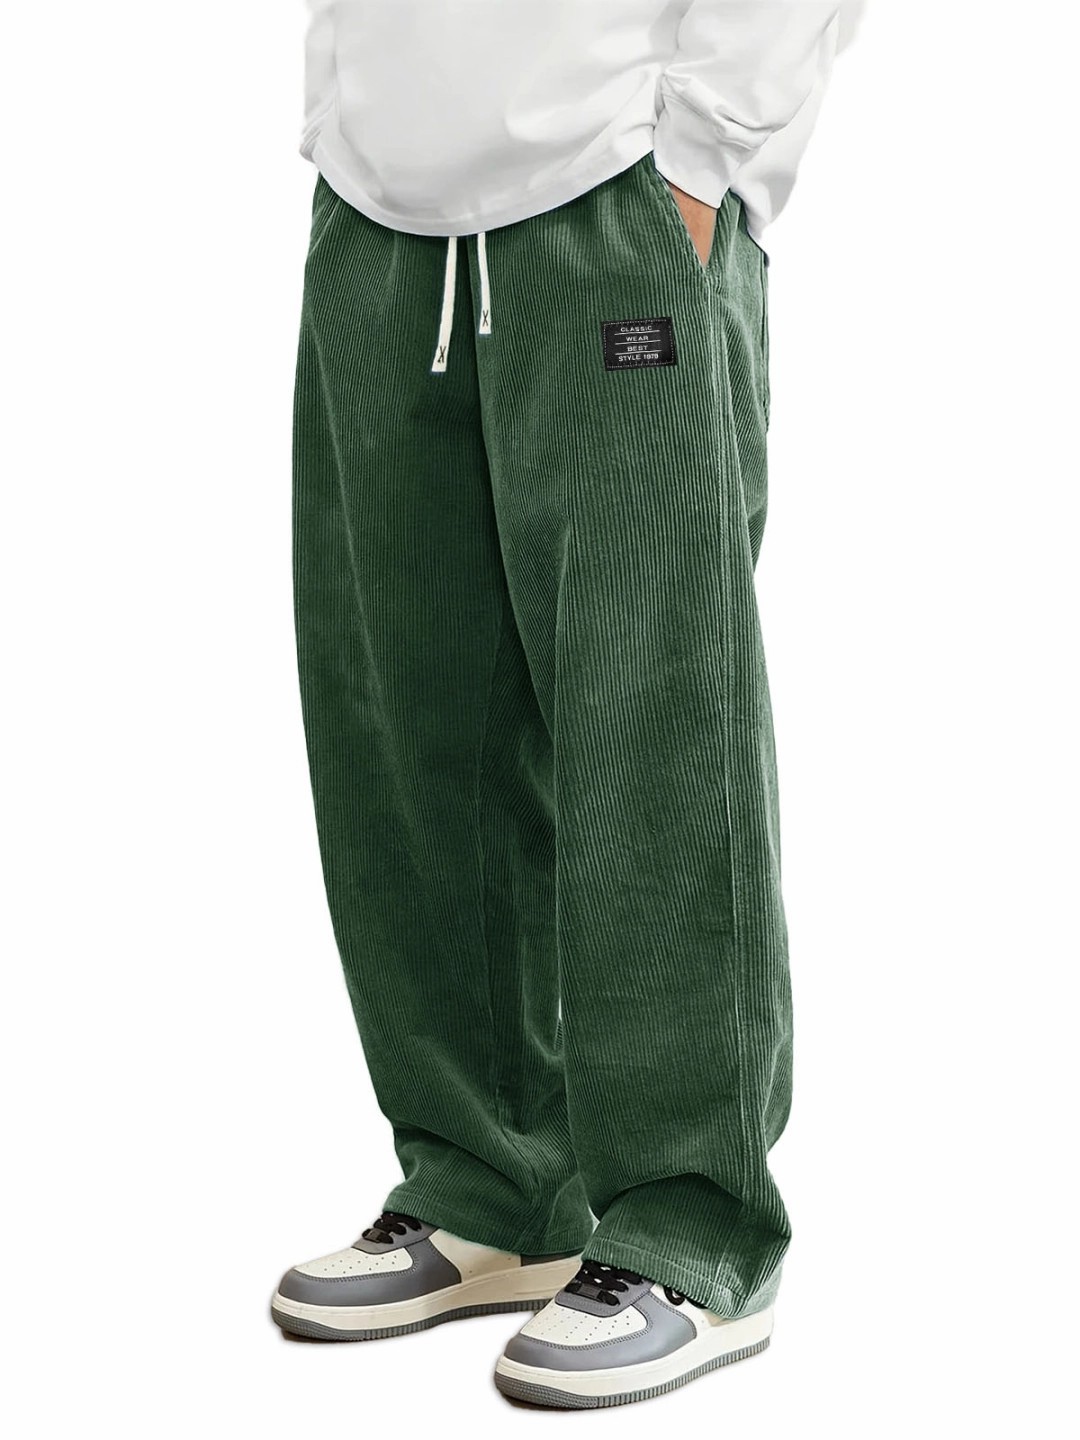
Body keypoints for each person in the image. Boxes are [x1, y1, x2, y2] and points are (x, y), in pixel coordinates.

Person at [272, 0, 861, 1410]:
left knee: (650, 720)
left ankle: (693, 1227)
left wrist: (706, 158)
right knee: (399, 722)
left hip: (614, 187)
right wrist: (339, 107)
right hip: (379, 206)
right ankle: (488, 1182)